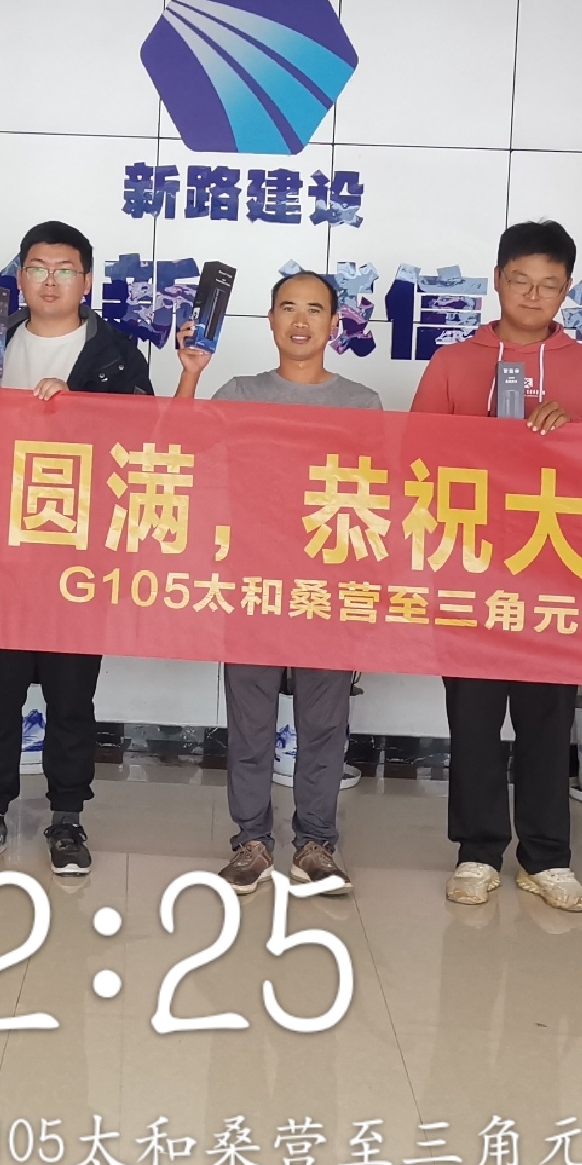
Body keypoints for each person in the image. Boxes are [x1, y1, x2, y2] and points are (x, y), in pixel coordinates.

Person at [412, 219, 582, 913]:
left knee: (547, 719)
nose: (533, 295)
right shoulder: (452, 363)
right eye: (521, 280)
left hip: (553, 570)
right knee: (473, 717)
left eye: (549, 285)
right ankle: (476, 852)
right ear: (497, 279)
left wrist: (572, 436)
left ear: (566, 290)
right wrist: (476, 439)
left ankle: (547, 858)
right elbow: (416, 460)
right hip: (469, 569)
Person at [0, 221, 154, 877]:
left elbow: (148, 441)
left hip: (78, 553)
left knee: (71, 697)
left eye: (64, 270)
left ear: (85, 281)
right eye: (37, 268)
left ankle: (67, 816)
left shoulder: (117, 354)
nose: (49, 281)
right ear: (20, 277)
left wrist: (83, 407)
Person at [177, 271, 380, 894]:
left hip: (328, 583)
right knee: (250, 719)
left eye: (314, 309)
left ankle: (316, 843)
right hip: (252, 581)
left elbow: (380, 495)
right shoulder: (240, 393)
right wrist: (190, 375)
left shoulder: (362, 404)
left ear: (334, 324)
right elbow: (179, 450)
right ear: (269, 320)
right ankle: (252, 842)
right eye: (288, 308)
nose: (300, 321)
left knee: (324, 722)